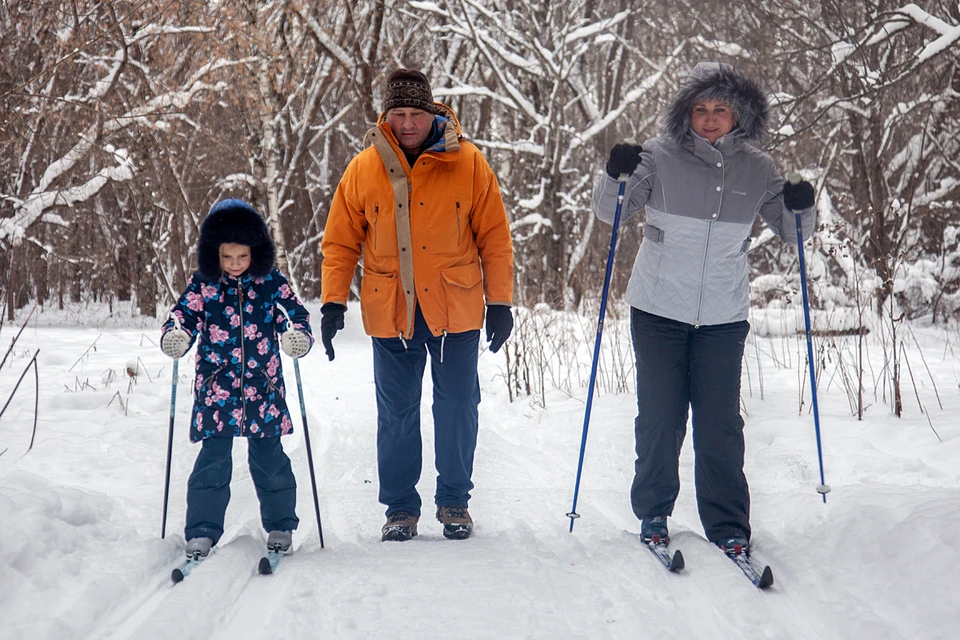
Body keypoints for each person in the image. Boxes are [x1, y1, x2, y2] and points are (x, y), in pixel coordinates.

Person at [593, 62, 817, 556]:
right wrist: (615, 174)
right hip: (657, 311)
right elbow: (612, 212)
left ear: (739, 115)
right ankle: (654, 513)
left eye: (721, 109)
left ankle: (728, 525)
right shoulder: (658, 156)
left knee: (720, 423)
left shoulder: (757, 167)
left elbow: (796, 232)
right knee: (660, 417)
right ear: (686, 113)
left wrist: (803, 205)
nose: (711, 119)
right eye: (701, 109)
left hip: (722, 316)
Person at [320, 69, 514, 542]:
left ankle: (453, 503)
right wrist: (331, 302)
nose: (408, 124)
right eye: (399, 114)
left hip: (457, 308)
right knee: (397, 413)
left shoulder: (468, 163)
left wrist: (501, 301)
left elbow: (495, 238)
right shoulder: (363, 168)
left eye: (416, 114)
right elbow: (340, 242)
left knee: (457, 408)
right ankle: (401, 509)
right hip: (392, 311)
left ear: (433, 114)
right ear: (386, 117)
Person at [160, 199, 314, 559]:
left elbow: (295, 316)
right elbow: (181, 317)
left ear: (255, 252)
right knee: (213, 459)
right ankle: (201, 530)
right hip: (217, 389)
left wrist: (297, 337)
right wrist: (177, 336)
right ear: (214, 254)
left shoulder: (271, 283)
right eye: (227, 258)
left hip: (263, 387)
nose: (234, 265)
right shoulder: (204, 285)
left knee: (270, 459)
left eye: (242, 257)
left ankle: (280, 526)